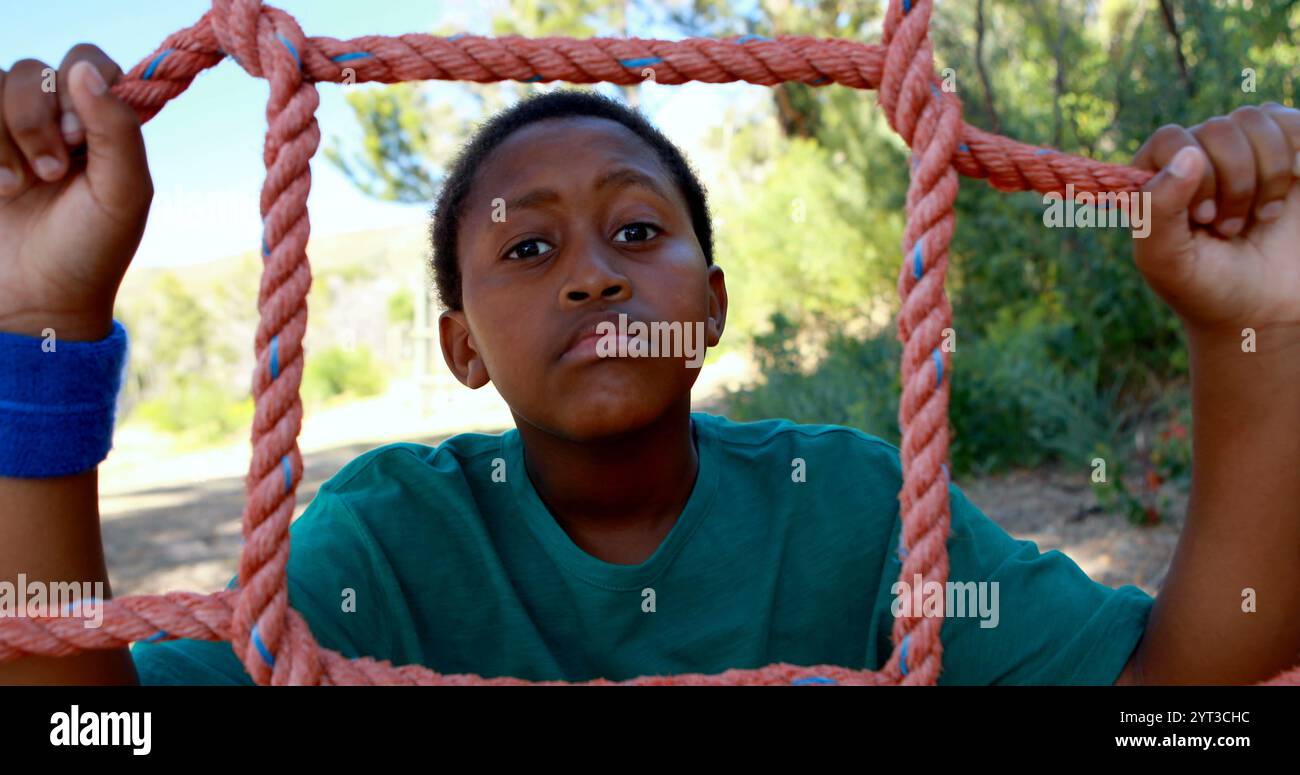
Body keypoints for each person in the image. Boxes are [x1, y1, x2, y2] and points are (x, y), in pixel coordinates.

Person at [2, 45, 1299, 685]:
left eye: (637, 230)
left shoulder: (856, 511)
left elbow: (1181, 696)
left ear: (715, 305)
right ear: (461, 348)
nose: (591, 274)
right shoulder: (382, 551)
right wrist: (33, 330)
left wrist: (1265, 341)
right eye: (525, 251)